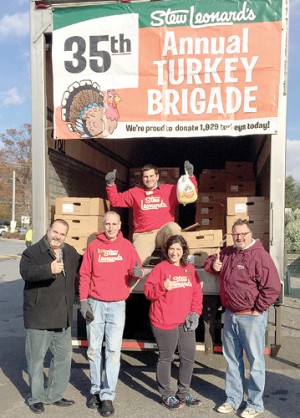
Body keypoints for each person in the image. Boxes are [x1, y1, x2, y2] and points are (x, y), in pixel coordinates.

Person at [204, 219, 281, 418]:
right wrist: (214, 264)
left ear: (250, 233)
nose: (239, 237)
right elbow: (208, 263)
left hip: (251, 318)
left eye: (242, 234)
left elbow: (272, 287)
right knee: (233, 361)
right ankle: (233, 400)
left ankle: (255, 404)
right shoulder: (228, 252)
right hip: (231, 315)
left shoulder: (260, 256)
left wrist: (258, 309)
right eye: (235, 234)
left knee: (255, 362)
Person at [79, 211, 144, 417]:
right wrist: (83, 301)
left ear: (119, 225)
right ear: (103, 225)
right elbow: (84, 275)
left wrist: (136, 273)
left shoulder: (127, 247)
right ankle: (95, 390)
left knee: (114, 351)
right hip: (95, 303)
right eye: (107, 224)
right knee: (94, 350)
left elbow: (137, 270)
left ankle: (108, 395)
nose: (110, 227)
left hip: (117, 305)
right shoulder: (93, 247)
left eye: (114, 224)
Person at [20, 219, 81, 414]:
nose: (58, 236)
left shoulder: (70, 252)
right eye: (55, 232)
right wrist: (49, 269)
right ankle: (36, 397)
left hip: (62, 318)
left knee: (63, 359)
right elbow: (26, 272)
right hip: (39, 318)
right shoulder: (33, 252)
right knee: (36, 361)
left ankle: (54, 395)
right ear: (49, 230)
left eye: (62, 234)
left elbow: (86, 266)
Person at [144, 234, 203, 410]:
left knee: (188, 357)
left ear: (184, 251)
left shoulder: (189, 269)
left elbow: (196, 294)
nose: (174, 252)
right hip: (164, 320)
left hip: (184, 321)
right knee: (166, 358)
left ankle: (183, 393)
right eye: (171, 249)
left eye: (178, 249)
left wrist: (195, 313)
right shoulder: (161, 268)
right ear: (166, 250)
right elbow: (148, 292)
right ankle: (167, 395)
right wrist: (163, 287)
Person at [105, 161, 198, 265]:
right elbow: (116, 200)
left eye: (151, 176)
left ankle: (176, 263)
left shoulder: (169, 190)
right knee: (135, 263)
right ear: (142, 178)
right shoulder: (135, 192)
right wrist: (110, 184)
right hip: (144, 235)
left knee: (174, 227)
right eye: (146, 177)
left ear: (157, 176)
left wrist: (190, 176)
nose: (149, 179)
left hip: (163, 233)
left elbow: (189, 193)